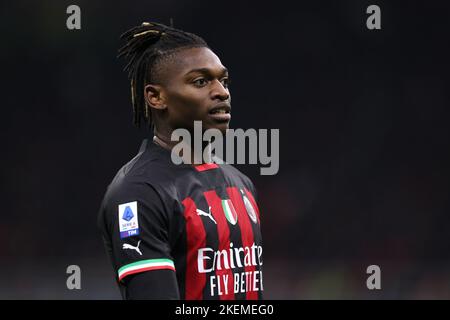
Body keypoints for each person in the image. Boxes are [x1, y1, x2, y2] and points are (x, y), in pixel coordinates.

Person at [98, 21, 264, 300]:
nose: (221, 92)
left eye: (223, 81)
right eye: (201, 81)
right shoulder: (139, 193)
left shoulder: (241, 183)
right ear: (156, 97)